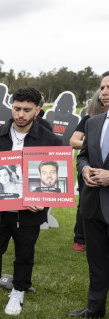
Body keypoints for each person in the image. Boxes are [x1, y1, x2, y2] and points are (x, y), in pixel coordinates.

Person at [0, 86, 62, 316]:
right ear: (12, 106)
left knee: (25, 251)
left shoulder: (50, 140)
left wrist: (44, 201)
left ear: (37, 110)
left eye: (27, 110)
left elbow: (54, 178)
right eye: (16, 108)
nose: (20, 114)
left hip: (29, 210)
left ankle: (18, 290)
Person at [67, 71, 109, 319]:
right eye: (102, 87)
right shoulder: (92, 123)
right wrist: (83, 169)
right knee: (96, 261)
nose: (104, 92)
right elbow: (82, 155)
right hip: (92, 206)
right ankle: (95, 308)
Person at [69, 89, 107, 252]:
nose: (104, 98)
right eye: (100, 100)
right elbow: (73, 141)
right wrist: (91, 143)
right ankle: (80, 237)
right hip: (89, 170)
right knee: (86, 204)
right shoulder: (89, 120)